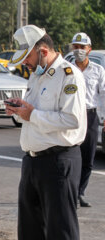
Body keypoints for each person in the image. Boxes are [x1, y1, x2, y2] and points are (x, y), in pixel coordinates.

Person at [6, 25, 87, 240]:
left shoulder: (69, 76)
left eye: (27, 57)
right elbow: (31, 114)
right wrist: (17, 110)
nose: (25, 62)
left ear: (42, 51)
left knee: (60, 230)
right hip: (32, 162)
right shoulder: (36, 75)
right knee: (30, 230)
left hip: (59, 161)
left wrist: (31, 114)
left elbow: (72, 119)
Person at [70, 32, 105, 207]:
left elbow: (104, 95)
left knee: (88, 158)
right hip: (71, 116)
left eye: (82, 48)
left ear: (89, 49)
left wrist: (104, 118)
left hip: (90, 116)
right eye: (75, 47)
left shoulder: (98, 71)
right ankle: (70, 192)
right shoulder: (66, 69)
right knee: (70, 155)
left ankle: (80, 193)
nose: (78, 51)